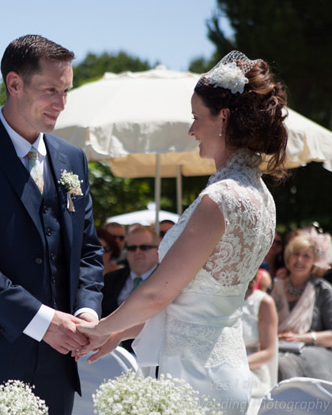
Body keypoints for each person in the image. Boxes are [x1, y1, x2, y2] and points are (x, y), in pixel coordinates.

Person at [76, 51, 289, 415]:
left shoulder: (219, 199)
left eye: (195, 118)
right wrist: (117, 334)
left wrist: (100, 329)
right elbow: (190, 297)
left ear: (222, 118)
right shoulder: (263, 199)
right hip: (227, 367)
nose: (192, 130)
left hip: (190, 375)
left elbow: (159, 293)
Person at [0, 35, 103, 415]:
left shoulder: (73, 159)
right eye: (50, 90)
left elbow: (89, 249)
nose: (61, 104)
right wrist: (41, 321)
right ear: (14, 84)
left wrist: (87, 312)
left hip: (61, 366)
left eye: (66, 91)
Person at [270, 234, 332, 381]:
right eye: (296, 254)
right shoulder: (274, 287)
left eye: (306, 256)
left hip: (312, 352)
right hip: (275, 346)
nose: (299, 260)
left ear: (313, 262)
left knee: (282, 364)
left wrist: (299, 338)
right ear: (288, 257)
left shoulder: (323, 291)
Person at [100, 225, 159, 354]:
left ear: (158, 250)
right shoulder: (110, 279)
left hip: (152, 354)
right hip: (109, 355)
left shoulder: (166, 280)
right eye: (132, 248)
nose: (137, 252)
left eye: (144, 247)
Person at [242, 273, 278, 415]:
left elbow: (268, 353)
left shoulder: (263, 302)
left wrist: (235, 365)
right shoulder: (216, 299)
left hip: (251, 370)